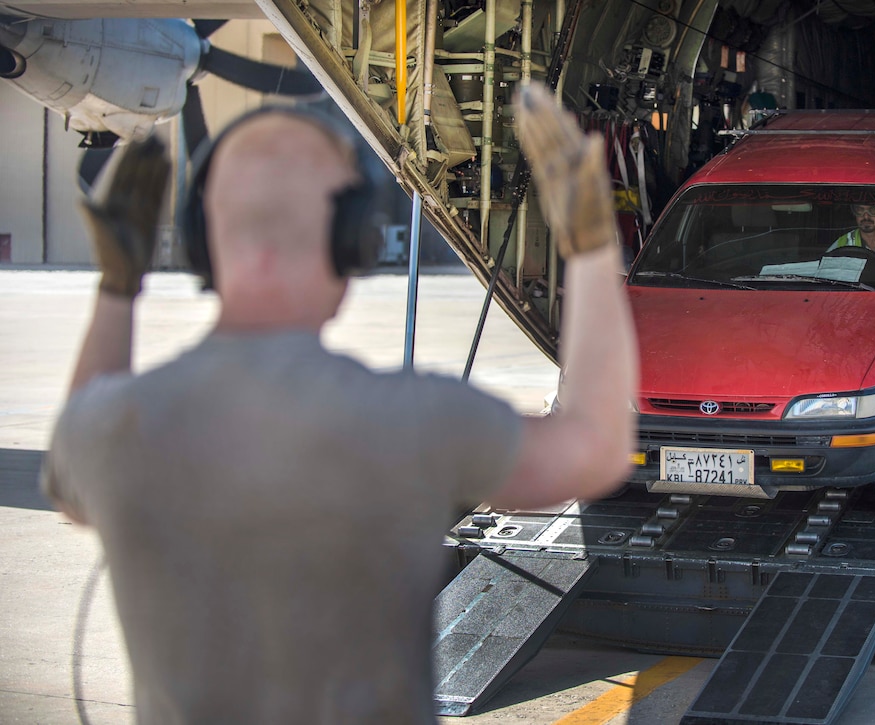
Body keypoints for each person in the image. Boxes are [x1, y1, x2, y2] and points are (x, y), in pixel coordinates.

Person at [40, 83, 637, 723]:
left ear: (201, 241)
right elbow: (596, 452)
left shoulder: (113, 428)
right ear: (352, 240)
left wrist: (118, 289)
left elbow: (70, 480)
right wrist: (591, 244)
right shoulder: (414, 423)